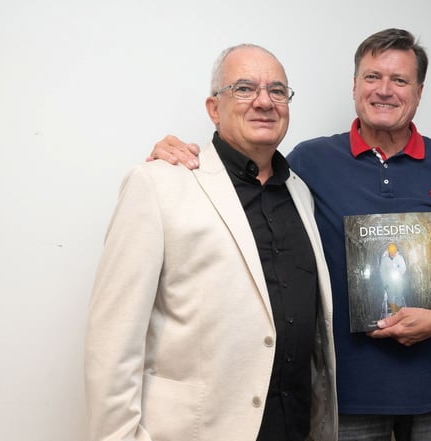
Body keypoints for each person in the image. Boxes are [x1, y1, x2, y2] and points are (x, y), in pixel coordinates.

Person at [149, 28, 431, 441]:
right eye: (372, 77)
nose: (384, 90)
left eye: (399, 80)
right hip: (342, 397)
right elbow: (242, 182)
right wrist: (177, 155)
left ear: (419, 91)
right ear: (354, 86)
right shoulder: (308, 162)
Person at [84, 44, 336, 441]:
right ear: (213, 108)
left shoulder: (301, 194)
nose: (263, 101)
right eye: (243, 88)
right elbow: (113, 341)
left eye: (277, 90)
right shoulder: (158, 184)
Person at [379, 242, 407, 316]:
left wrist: (399, 273)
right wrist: (385, 282)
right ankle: (394, 312)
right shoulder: (384, 260)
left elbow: (403, 268)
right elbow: (382, 271)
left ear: (396, 251)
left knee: (399, 294)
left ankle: (398, 311)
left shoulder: (400, 258)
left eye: (394, 252)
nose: (393, 254)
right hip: (389, 281)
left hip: (398, 280)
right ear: (388, 251)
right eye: (391, 252)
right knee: (391, 295)